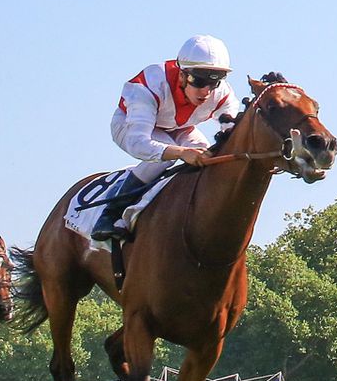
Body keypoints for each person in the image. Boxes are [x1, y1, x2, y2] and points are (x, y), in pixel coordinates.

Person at [91, 34, 241, 241]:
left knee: (206, 154)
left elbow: (230, 123)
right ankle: (110, 213)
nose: (206, 91)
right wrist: (181, 152)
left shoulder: (221, 93)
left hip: (180, 127)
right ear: (181, 75)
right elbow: (138, 143)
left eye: (214, 82)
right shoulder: (150, 84)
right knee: (163, 157)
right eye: (199, 80)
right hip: (129, 126)